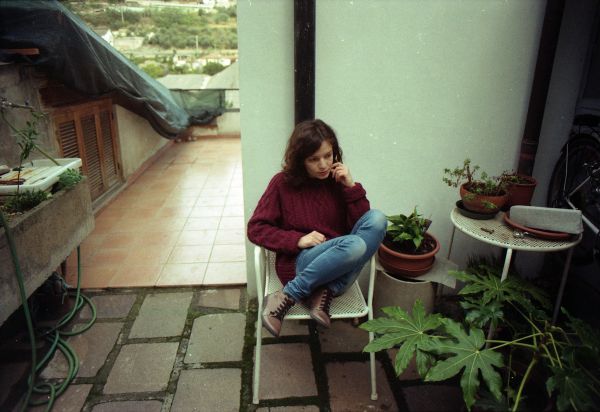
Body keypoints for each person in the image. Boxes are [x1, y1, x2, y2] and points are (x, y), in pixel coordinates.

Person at [247, 119, 387, 337]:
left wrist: (350, 187)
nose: (323, 164)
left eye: (328, 156)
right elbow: (256, 228)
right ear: (300, 160)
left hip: (338, 269)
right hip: (301, 264)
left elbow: (363, 227)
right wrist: (297, 240)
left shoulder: (337, 181)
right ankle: (296, 292)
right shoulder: (282, 183)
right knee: (355, 245)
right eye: (314, 159)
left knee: (378, 219)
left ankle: (308, 294)